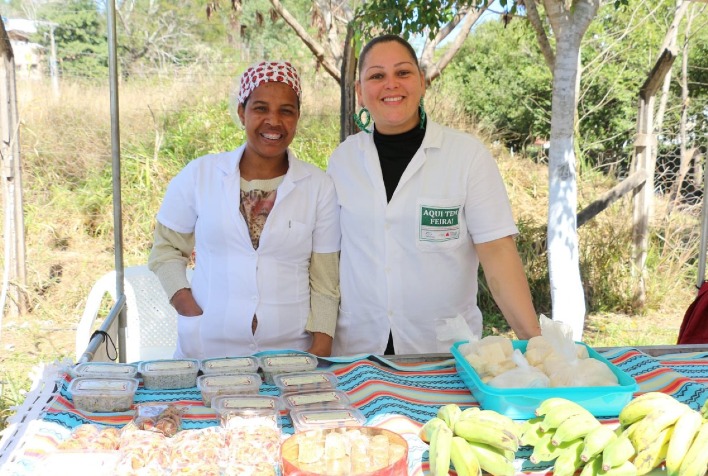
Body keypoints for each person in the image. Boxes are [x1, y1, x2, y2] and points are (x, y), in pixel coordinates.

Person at [327, 35, 540, 356]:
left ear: (423, 82)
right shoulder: (343, 161)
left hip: (443, 351)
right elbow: (330, 259)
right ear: (359, 92)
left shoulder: (467, 156)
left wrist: (537, 345)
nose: (391, 84)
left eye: (403, 73)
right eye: (376, 76)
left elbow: (497, 252)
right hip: (358, 351)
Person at [149, 61, 341, 359]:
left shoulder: (318, 186)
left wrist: (320, 347)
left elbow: (325, 280)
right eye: (261, 108)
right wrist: (188, 308)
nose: (273, 121)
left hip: (291, 353)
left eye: (286, 111)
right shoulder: (199, 175)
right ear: (242, 112)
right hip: (208, 348)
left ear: (297, 117)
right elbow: (165, 252)